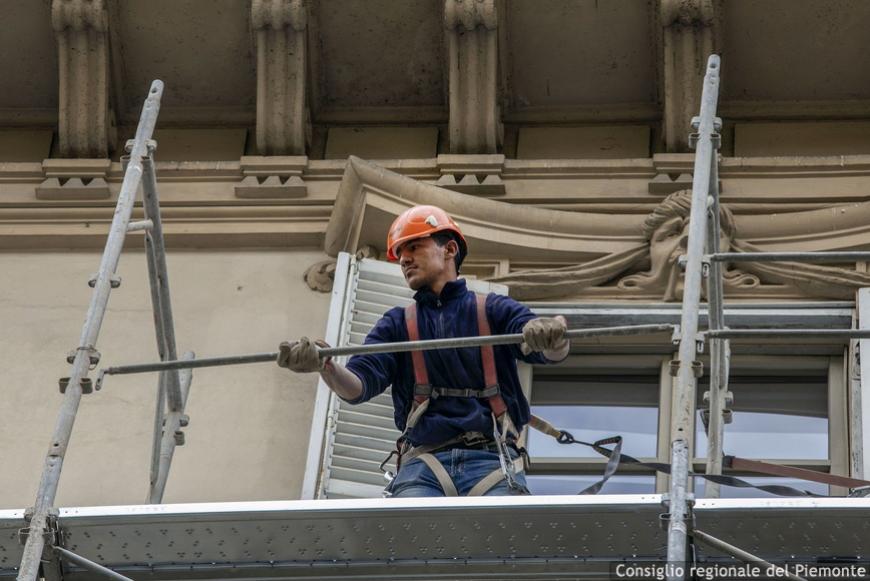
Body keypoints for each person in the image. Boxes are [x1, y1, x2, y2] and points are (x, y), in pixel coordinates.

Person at [278, 204, 570, 497]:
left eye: (414, 247)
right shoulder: (397, 324)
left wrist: (553, 335)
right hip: (424, 468)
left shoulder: (493, 310)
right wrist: (325, 367)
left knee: (503, 538)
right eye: (401, 254)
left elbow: (546, 351)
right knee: (408, 539)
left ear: (450, 249)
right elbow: (358, 386)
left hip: (492, 461)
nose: (404, 259)